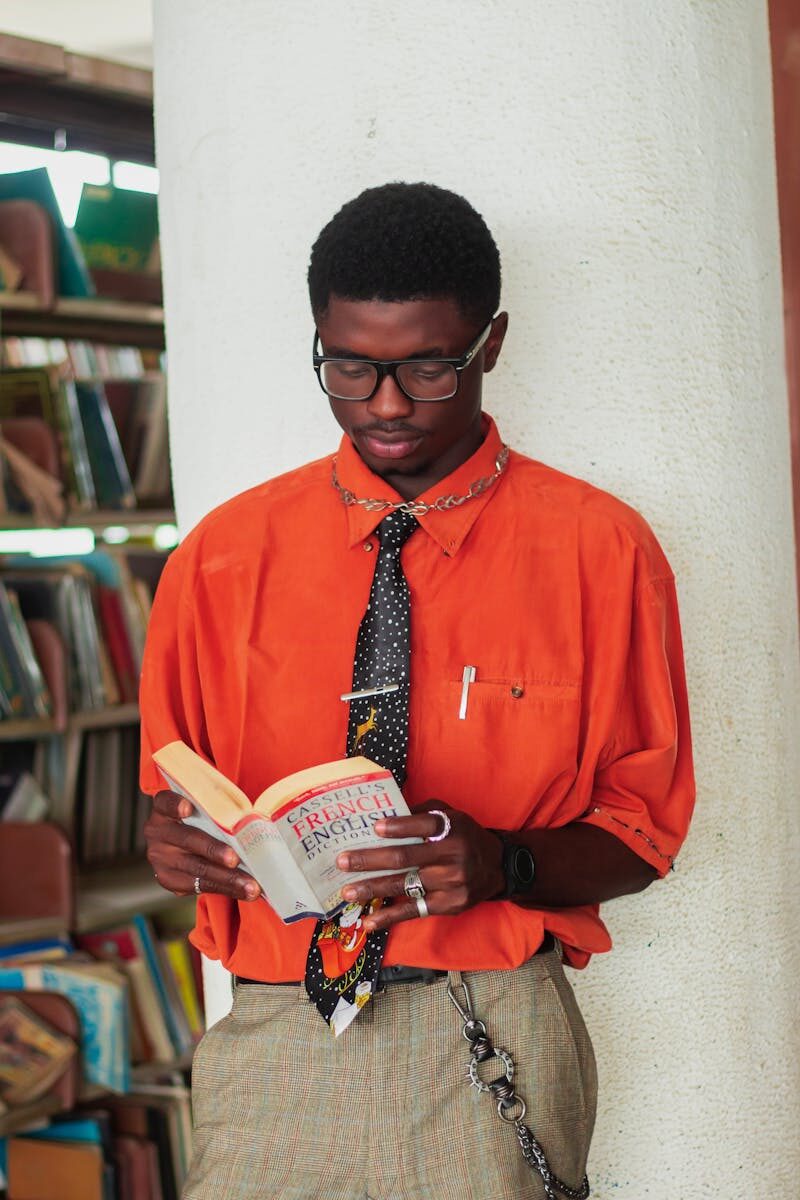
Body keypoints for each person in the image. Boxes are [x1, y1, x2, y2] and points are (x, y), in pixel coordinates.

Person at [140, 182, 695, 1200]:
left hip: (490, 1023)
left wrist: (500, 860)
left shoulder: (599, 552)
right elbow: (172, 793)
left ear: (490, 344)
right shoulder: (219, 559)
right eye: (349, 365)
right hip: (274, 1025)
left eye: (426, 367)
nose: (384, 403)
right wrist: (169, 836)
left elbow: (643, 836)